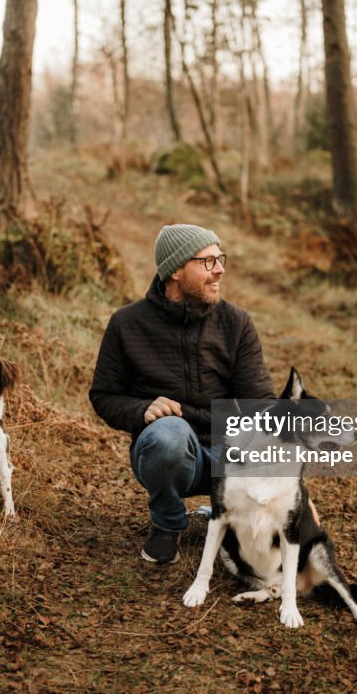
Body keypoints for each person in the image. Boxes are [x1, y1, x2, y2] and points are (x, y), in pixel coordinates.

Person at [89, 223, 276, 565]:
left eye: (221, 259)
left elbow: (261, 405)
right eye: (207, 262)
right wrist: (142, 409)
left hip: (228, 454)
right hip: (170, 453)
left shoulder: (236, 323)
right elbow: (103, 395)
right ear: (176, 269)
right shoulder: (127, 324)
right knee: (168, 434)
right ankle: (167, 525)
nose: (220, 269)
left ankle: (227, 511)